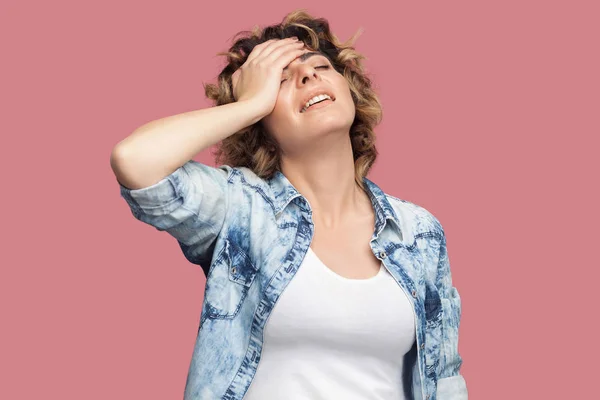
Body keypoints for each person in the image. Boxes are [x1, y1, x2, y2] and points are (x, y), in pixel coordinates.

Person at [110, 9, 467, 400]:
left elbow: (443, 378)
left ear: (350, 90)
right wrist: (247, 105)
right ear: (261, 117)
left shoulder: (418, 231)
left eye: (320, 66)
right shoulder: (240, 207)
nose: (307, 75)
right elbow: (135, 161)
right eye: (282, 79)